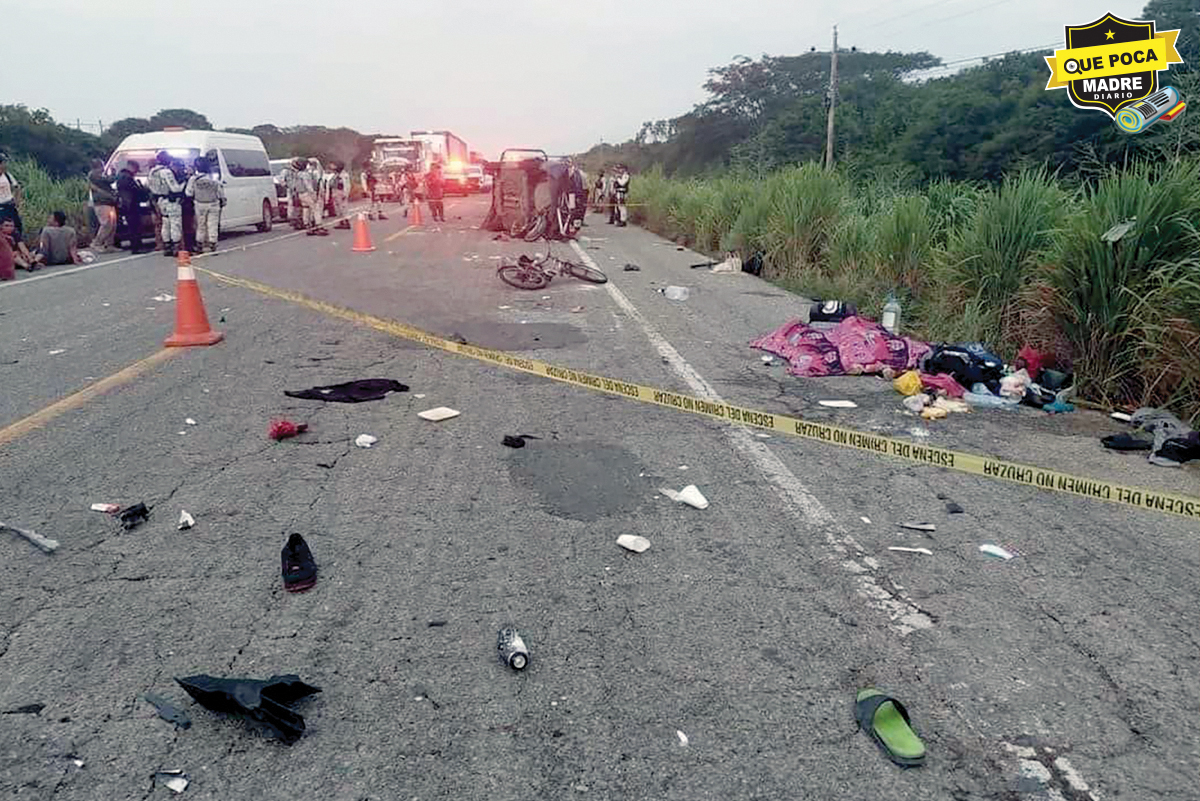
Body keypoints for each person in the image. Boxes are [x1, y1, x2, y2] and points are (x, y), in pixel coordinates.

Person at [148, 151, 185, 256]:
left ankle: (167, 246)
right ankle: (176, 247)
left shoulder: (152, 171)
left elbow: (149, 186)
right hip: (171, 200)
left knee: (165, 223)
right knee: (175, 224)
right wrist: (184, 182)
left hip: (159, 200)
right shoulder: (166, 172)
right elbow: (175, 188)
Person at [186, 157, 226, 252]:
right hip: (213, 203)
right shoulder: (213, 178)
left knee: (200, 224)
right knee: (212, 224)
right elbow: (219, 191)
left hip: (199, 203)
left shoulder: (193, 179)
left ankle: (199, 243)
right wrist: (223, 200)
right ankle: (213, 242)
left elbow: (188, 193)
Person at [115, 161, 150, 253]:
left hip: (127, 204)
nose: (136, 173)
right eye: (136, 170)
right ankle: (136, 247)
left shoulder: (122, 176)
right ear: (132, 167)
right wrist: (143, 190)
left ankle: (138, 246)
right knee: (134, 226)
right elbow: (134, 190)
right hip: (130, 204)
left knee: (134, 226)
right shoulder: (126, 177)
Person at [88, 159, 118, 253]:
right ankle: (97, 243)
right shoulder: (93, 175)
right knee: (106, 224)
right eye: (102, 166)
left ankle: (109, 244)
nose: (103, 168)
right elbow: (109, 180)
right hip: (101, 203)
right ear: (98, 167)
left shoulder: (99, 175)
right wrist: (113, 173)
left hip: (108, 202)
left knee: (112, 224)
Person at [293, 157, 326, 236]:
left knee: (306, 209)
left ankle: (307, 225)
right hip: (307, 193)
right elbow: (308, 185)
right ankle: (319, 225)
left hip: (300, 194)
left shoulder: (297, 174)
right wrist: (313, 194)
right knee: (316, 208)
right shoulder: (305, 174)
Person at [0, 152, 23, 243]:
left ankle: (18, 247)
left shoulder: (7, 175)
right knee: (3, 229)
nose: (4, 166)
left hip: (10, 205)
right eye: (2, 164)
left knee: (17, 226)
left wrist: (17, 201)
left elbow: (17, 187)